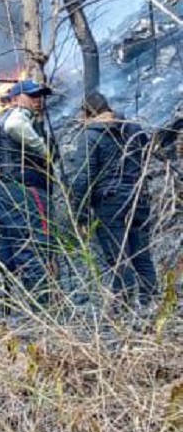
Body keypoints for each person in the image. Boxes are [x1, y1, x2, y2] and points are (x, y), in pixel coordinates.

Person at [0, 78, 58, 303]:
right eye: (32, 95)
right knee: (34, 251)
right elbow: (15, 127)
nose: (38, 100)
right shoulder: (17, 116)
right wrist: (44, 151)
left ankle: (0, 319)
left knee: (0, 258)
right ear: (17, 98)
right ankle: (46, 314)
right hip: (20, 191)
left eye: (40, 95)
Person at [69, 91, 158, 308]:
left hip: (110, 203)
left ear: (87, 113)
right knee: (141, 255)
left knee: (118, 258)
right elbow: (148, 158)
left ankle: (125, 310)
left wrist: (79, 213)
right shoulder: (134, 129)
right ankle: (152, 304)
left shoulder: (90, 135)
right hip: (139, 198)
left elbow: (83, 177)